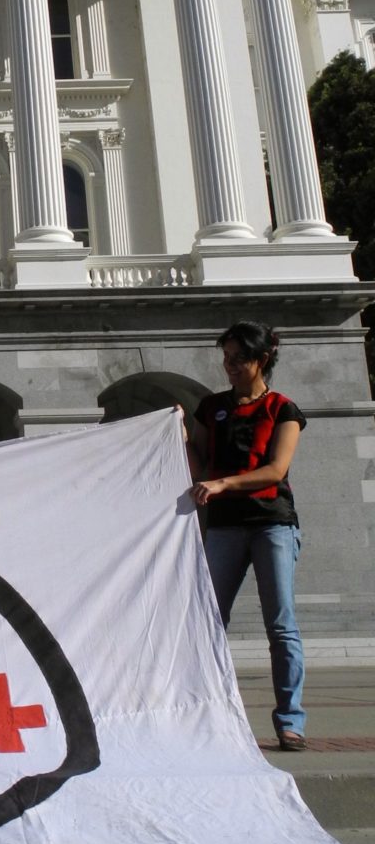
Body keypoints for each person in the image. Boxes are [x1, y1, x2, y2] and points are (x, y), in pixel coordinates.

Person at [188, 321, 308, 751]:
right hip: (223, 526)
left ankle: (290, 721)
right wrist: (180, 436)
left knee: (281, 625)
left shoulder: (283, 409)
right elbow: (199, 464)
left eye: (239, 358)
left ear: (262, 360)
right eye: (226, 358)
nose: (230, 366)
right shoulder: (211, 407)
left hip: (272, 522)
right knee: (208, 621)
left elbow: (276, 471)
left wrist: (223, 484)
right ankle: (208, 714)